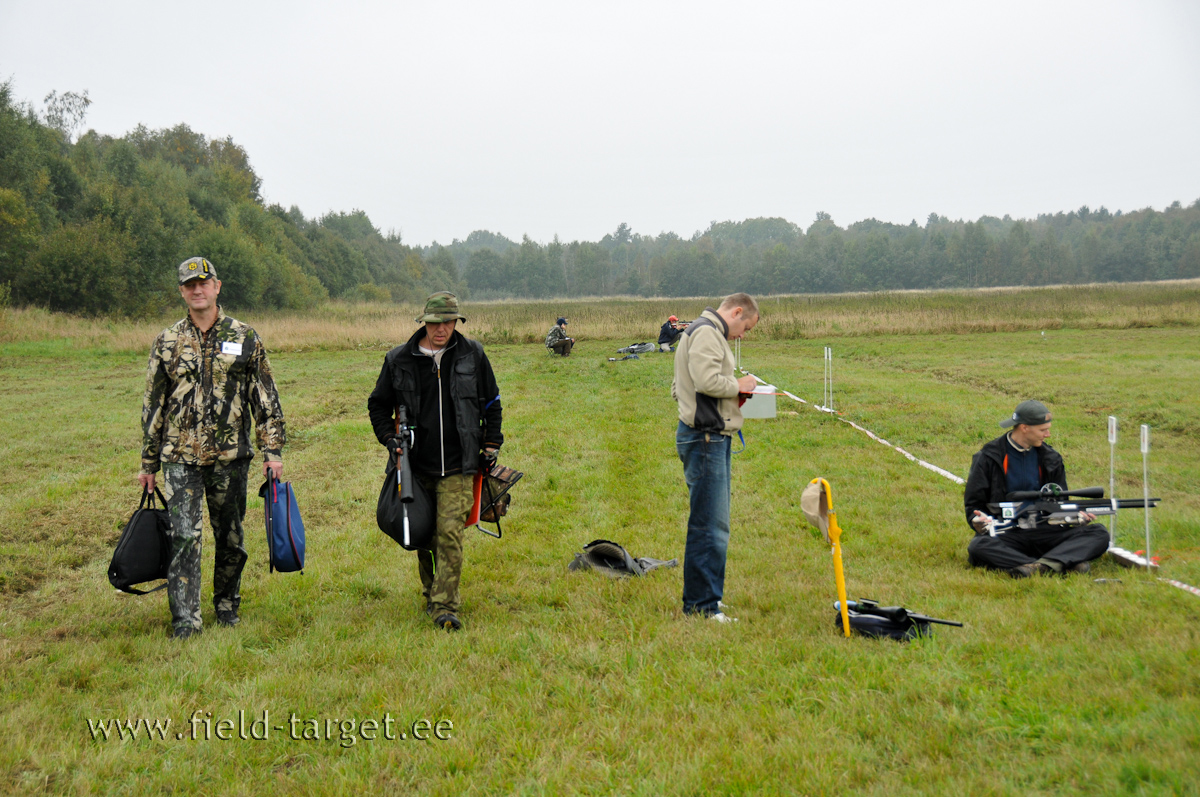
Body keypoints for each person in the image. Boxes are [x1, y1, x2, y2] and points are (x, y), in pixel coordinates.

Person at [139, 257, 286, 639]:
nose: (197, 289)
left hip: (230, 456)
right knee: (184, 535)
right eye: (189, 285)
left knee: (231, 536)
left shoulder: (244, 336)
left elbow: (264, 396)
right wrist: (148, 461)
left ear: (217, 286)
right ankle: (186, 620)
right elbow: (154, 403)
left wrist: (272, 452)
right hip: (179, 458)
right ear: (182, 292)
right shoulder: (167, 341)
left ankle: (226, 603)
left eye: (203, 283)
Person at [368, 292, 503, 631]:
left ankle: (445, 606)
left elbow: (492, 403)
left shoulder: (473, 355)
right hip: (416, 466)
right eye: (434, 322)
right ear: (423, 322)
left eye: (447, 322)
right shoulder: (399, 359)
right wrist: (390, 441)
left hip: (460, 464)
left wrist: (490, 443)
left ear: (456, 322)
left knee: (450, 533)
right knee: (425, 534)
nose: (441, 329)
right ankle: (432, 592)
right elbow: (377, 405)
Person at [671, 293, 759, 622]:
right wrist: (740, 385)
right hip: (705, 438)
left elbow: (679, 387)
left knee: (713, 523)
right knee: (710, 526)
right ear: (736, 311)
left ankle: (707, 598)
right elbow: (707, 381)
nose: (741, 336)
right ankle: (702, 607)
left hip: (708, 435)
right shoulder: (708, 332)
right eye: (745, 327)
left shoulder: (698, 329)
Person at [964, 399, 1110, 578]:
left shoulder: (1051, 458)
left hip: (1047, 530)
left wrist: (1074, 517)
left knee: (1099, 533)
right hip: (1008, 531)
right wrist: (977, 521)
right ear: (1025, 427)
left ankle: (1035, 566)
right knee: (979, 547)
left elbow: (1060, 502)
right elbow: (974, 506)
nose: (1047, 434)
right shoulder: (988, 457)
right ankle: (1059, 562)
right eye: (1043, 430)